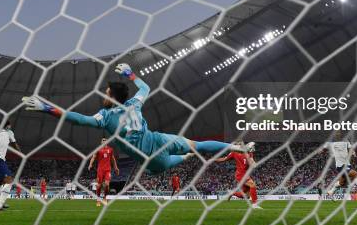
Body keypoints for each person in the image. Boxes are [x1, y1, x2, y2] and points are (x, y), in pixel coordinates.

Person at [23, 64, 253, 174]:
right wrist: (130, 74)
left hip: (150, 158)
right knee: (197, 145)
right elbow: (145, 87)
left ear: (111, 96)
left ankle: (193, 155)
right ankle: (234, 147)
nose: (104, 94)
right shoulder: (135, 103)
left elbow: (79, 120)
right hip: (158, 139)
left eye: (106, 92)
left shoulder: (105, 116)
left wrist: (47, 108)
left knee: (161, 167)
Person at [326, 136, 357, 205]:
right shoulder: (333, 142)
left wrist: (353, 152)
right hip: (340, 166)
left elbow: (350, 148)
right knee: (356, 175)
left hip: (347, 164)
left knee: (342, 183)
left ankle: (331, 191)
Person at [216, 142, 262, 209]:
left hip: (246, 175)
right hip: (240, 174)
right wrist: (213, 160)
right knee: (252, 185)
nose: (240, 145)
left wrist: (254, 164)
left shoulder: (249, 153)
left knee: (246, 196)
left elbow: (252, 162)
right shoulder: (234, 153)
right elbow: (224, 159)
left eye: (241, 144)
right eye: (238, 144)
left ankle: (232, 193)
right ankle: (254, 204)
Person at [89, 138, 119, 206]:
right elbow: (93, 157)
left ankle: (105, 198)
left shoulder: (110, 149)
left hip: (108, 170)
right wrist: (90, 164)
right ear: (101, 142)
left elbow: (113, 159)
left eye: (105, 140)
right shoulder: (98, 149)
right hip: (100, 170)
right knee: (99, 185)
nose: (104, 141)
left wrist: (116, 167)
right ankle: (98, 199)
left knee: (107, 184)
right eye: (103, 140)